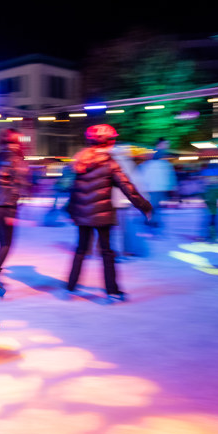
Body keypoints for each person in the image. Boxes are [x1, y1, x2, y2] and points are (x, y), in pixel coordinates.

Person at [66, 124, 152, 303]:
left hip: (82, 214)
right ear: (107, 142)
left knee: (81, 249)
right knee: (107, 251)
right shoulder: (110, 163)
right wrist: (145, 206)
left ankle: (71, 286)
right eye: (113, 140)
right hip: (102, 214)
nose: (114, 143)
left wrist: (71, 210)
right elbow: (128, 188)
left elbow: (75, 189)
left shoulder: (82, 161)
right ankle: (112, 290)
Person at [0, 128, 30, 297]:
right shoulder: (18, 159)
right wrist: (13, 208)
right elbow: (19, 184)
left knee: (0, 243)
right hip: (4, 207)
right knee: (6, 244)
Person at [137, 148, 177, 236]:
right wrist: (171, 188)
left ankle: (151, 224)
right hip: (160, 190)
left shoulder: (147, 165)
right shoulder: (165, 165)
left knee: (152, 208)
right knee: (155, 208)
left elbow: (143, 178)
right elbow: (170, 177)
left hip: (150, 190)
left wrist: (143, 188)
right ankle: (152, 224)